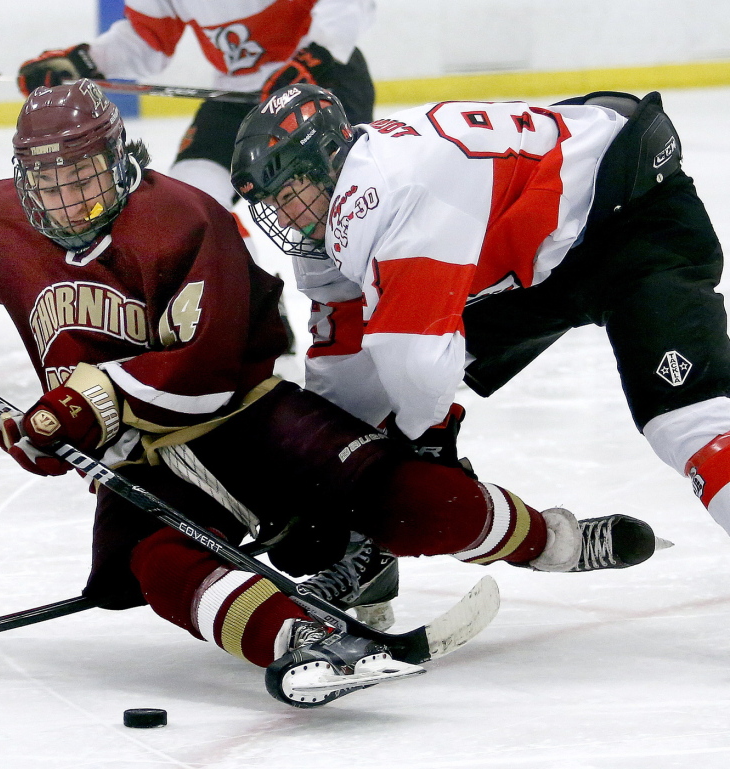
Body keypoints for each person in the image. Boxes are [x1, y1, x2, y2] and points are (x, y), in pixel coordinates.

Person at [0, 81, 662, 708]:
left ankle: (551, 539)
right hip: (142, 455)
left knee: (401, 494)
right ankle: (295, 640)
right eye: (49, 186)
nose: (69, 201)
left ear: (121, 160)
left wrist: (80, 409)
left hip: (248, 414)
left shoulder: (186, 218)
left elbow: (209, 364)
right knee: (150, 563)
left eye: (85, 179)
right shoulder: (11, 219)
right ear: (26, 181)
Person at [230, 83, 730, 538]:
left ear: (326, 161)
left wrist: (426, 435)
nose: (288, 218)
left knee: (687, 422)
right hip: (539, 245)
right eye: (275, 205)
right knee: (388, 414)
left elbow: (414, 358)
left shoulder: (386, 191)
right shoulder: (340, 203)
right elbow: (347, 358)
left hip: (629, 219)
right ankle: (367, 561)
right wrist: (328, 460)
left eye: (292, 194)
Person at [15, 0, 376, 252]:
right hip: (237, 97)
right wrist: (83, 61)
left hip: (322, 77)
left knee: (329, 210)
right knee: (187, 207)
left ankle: (364, 311)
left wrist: (318, 53)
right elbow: (147, 40)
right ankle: (257, 323)